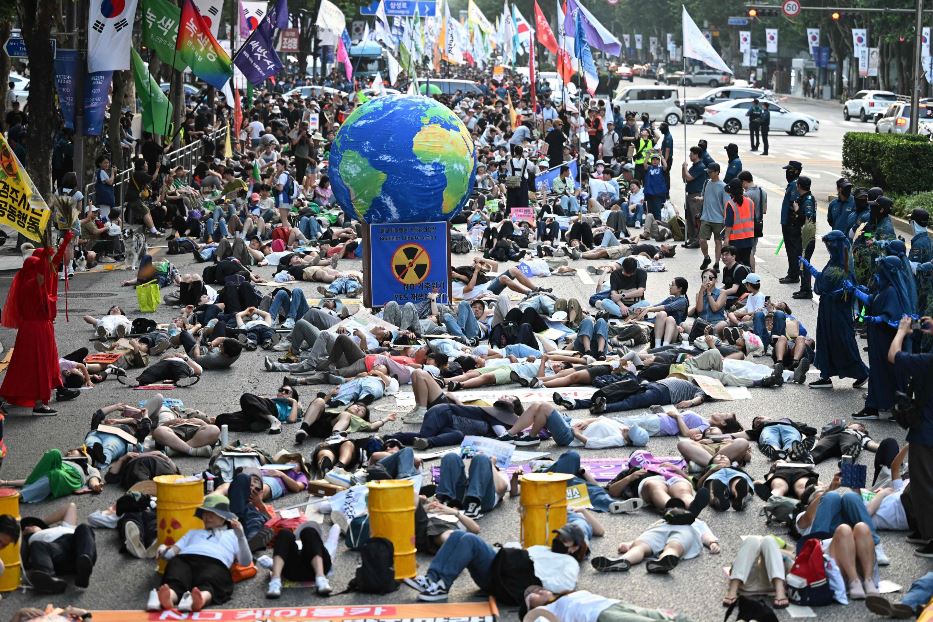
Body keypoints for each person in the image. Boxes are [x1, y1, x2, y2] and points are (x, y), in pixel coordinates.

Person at [0, 232, 78, 414]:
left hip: (38, 328)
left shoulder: (34, 280)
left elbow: (52, 264)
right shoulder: (33, 284)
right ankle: (39, 403)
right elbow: (47, 266)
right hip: (36, 330)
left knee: (29, 365)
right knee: (39, 366)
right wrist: (52, 250)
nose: (47, 268)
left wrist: (64, 242)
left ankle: (22, 397)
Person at [149, 494, 252, 612]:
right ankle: (169, 596)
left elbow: (246, 561)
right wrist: (163, 548)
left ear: (223, 518)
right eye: (204, 512)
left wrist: (241, 536)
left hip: (215, 563)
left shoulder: (233, 535)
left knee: (210, 581)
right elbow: (171, 554)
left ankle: (200, 599)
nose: (207, 517)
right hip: (185, 559)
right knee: (175, 573)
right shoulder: (192, 532)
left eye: (212, 513)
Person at [887, 315, 933, 555]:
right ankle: (919, 524)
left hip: (927, 430)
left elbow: (894, 356)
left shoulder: (928, 361)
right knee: (917, 482)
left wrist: (902, 331)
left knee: (924, 483)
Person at [801, 231, 869, 390]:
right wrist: (809, 267)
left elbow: (849, 289)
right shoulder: (833, 262)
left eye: (830, 245)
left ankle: (862, 372)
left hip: (839, 312)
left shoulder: (845, 265)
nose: (828, 248)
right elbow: (824, 279)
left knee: (842, 341)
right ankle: (825, 375)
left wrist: (837, 293)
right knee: (825, 340)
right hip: (827, 309)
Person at [590, 517, 720, 574]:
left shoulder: (694, 522)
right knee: (672, 546)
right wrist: (630, 543)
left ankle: (624, 560)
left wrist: (712, 542)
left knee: (643, 546)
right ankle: (662, 562)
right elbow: (705, 535)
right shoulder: (694, 522)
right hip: (678, 529)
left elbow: (705, 535)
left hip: (670, 528)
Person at [18, 503, 97, 594]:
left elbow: (70, 506)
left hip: (77, 546)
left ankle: (84, 564)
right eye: (24, 529)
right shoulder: (30, 541)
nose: (27, 527)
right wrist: (23, 533)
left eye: (31, 525)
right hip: (56, 550)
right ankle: (48, 579)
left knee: (84, 527)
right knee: (37, 545)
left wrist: (42, 523)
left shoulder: (64, 528)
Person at [265, 522, 340, 598]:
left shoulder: (319, 547)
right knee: (284, 533)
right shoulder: (293, 546)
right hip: (294, 570)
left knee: (309, 531)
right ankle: (275, 581)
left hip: (315, 569)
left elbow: (332, 541)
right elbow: (276, 559)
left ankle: (321, 579)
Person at [791, 176, 818, 299]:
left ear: (800, 186)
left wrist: (797, 211)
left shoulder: (807, 200)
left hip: (806, 237)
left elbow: (808, 219)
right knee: (802, 262)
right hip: (801, 236)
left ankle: (807, 290)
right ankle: (804, 288)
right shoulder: (803, 198)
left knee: (805, 263)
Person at [722, 179, 756, 268]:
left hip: (735, 240)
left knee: (736, 265)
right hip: (749, 238)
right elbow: (753, 218)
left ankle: (738, 281)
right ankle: (748, 280)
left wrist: (726, 239)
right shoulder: (750, 202)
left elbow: (729, 224)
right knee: (746, 262)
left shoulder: (730, 204)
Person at [698, 162, 725, 271]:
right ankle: (706, 257)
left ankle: (717, 263)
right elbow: (704, 196)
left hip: (718, 219)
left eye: (710, 172)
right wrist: (700, 199)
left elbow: (726, 203)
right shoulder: (707, 183)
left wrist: (726, 219)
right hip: (706, 217)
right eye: (708, 172)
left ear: (717, 172)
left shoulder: (723, 186)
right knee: (702, 240)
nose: (708, 173)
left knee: (718, 241)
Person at [739, 171, 767, 271]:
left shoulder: (746, 195)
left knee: (748, 252)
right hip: (758, 225)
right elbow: (764, 210)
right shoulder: (762, 191)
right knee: (753, 250)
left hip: (747, 226)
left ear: (744, 182)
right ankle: (752, 273)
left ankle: (750, 272)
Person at [681, 147, 707, 249]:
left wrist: (686, 168)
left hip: (696, 195)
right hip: (690, 194)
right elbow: (685, 179)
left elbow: (689, 177)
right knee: (689, 218)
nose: (690, 156)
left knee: (695, 218)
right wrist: (683, 168)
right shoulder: (694, 166)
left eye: (691, 154)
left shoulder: (700, 166)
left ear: (697, 155)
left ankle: (697, 239)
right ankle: (691, 238)